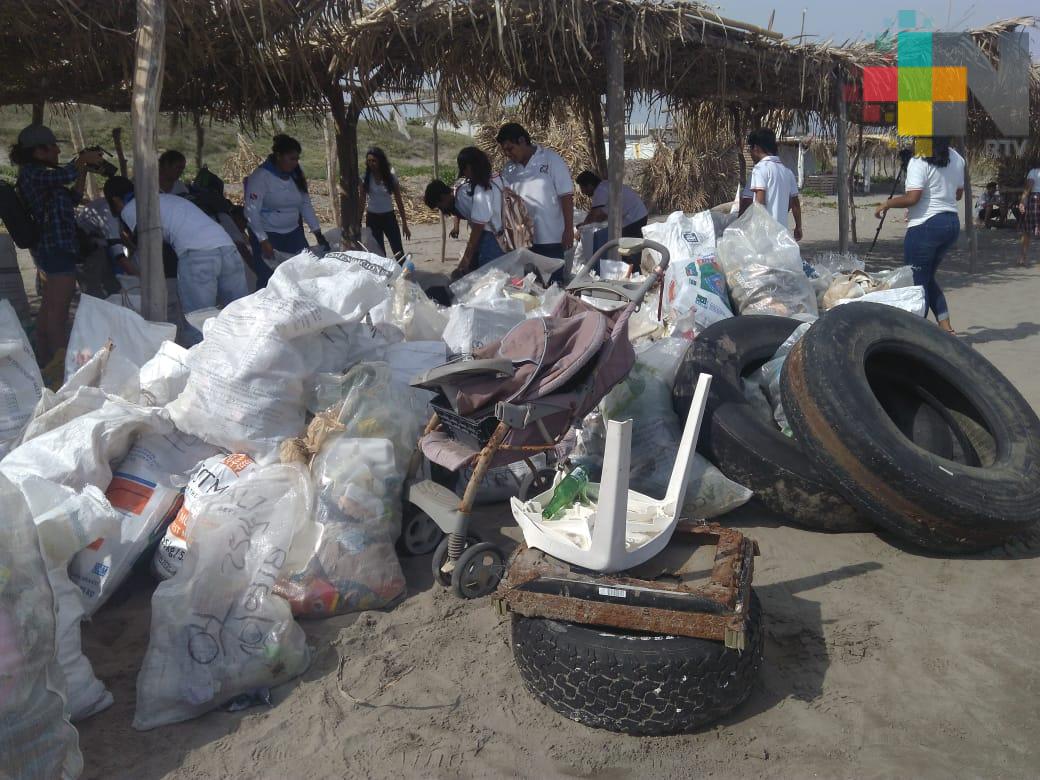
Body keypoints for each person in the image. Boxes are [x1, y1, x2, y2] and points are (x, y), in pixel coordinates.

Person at [105, 176, 248, 345]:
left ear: (115, 200)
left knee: (198, 321)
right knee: (239, 314)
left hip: (197, 254)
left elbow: (149, 247)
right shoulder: (164, 198)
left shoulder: (131, 208)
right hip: (228, 248)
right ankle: (248, 352)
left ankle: (199, 360)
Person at [11, 124, 104, 364]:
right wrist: (81, 160)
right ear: (38, 151)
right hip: (56, 249)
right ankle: (59, 365)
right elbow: (65, 175)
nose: (57, 152)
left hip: (53, 249)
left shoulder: (40, 175)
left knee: (49, 309)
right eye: (53, 147)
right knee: (58, 312)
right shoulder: (34, 173)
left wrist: (83, 169)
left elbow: (73, 197)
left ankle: (44, 360)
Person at [875, 137, 964, 334]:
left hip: (925, 226)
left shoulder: (919, 160)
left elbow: (913, 198)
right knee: (927, 277)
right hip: (951, 223)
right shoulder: (957, 157)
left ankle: (917, 334)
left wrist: (887, 204)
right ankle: (946, 328)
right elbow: (958, 194)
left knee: (916, 284)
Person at [244, 134, 323, 288]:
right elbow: (251, 212)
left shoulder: (296, 175)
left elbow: (305, 205)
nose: (295, 163)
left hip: (293, 233)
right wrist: (263, 240)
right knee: (269, 279)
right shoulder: (261, 177)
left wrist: (317, 232)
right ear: (279, 156)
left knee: (303, 273)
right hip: (268, 234)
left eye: (297, 159)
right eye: (291, 159)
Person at [497, 122, 574, 264]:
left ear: (522, 141)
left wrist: (569, 230)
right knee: (527, 278)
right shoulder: (508, 169)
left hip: (551, 239)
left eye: (510, 148)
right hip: (522, 241)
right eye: (505, 151)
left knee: (552, 278)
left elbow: (566, 196)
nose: (508, 154)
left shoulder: (551, 159)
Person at [424, 147, 505, 278]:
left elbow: (479, 227)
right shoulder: (495, 178)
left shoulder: (475, 191)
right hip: (499, 233)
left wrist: (466, 260)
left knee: (490, 278)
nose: (464, 175)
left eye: (439, 206)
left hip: (492, 237)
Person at [575, 170, 649, 267]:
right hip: (638, 215)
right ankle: (631, 268)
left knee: (628, 247)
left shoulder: (601, 190)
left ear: (589, 185)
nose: (583, 192)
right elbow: (601, 215)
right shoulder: (605, 186)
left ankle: (631, 269)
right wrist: (585, 224)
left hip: (634, 218)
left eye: (583, 188)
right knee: (628, 247)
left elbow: (595, 214)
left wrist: (581, 230)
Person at [744, 128, 803, 241]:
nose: (750, 153)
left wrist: (750, 227)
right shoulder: (787, 172)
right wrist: (798, 227)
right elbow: (795, 203)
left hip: (764, 235)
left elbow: (759, 201)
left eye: (749, 149)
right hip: (781, 236)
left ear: (756, 148)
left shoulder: (759, 169)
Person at [359, 147, 410, 260]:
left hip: (389, 218)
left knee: (398, 251)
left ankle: (403, 270)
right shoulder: (365, 178)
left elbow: (399, 201)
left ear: (380, 161)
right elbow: (362, 201)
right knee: (379, 254)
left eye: (374, 161)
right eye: (369, 161)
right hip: (373, 219)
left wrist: (405, 224)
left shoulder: (391, 178)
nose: (371, 164)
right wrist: (358, 221)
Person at [1020, 163, 1040, 268]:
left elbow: (1029, 186)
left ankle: (1023, 257)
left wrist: (1023, 201)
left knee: (1027, 231)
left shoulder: (1033, 172)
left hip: (1035, 199)